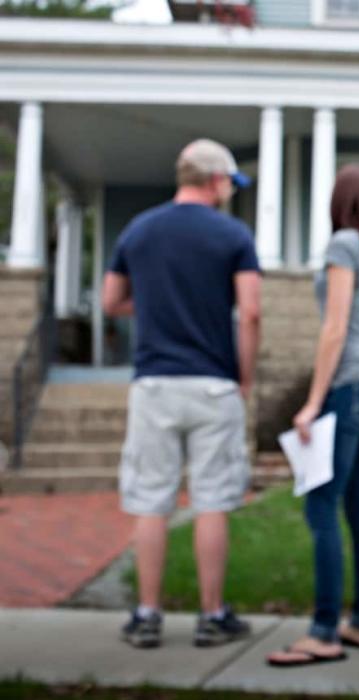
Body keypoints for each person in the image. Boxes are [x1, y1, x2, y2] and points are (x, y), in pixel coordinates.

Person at [101, 138, 261, 649]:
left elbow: (111, 301)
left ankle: (147, 614)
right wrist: (246, 376)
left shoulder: (139, 230)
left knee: (152, 501)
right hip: (213, 383)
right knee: (212, 499)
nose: (229, 194)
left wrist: (152, 310)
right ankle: (212, 616)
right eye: (229, 185)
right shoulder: (233, 235)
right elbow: (252, 312)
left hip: (153, 384)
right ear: (215, 181)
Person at [267, 164, 359, 667]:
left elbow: (335, 329)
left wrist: (313, 402)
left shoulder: (343, 245)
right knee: (358, 505)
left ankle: (324, 632)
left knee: (322, 506)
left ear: (340, 201)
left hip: (348, 386)